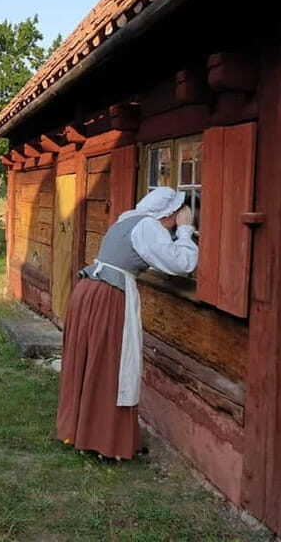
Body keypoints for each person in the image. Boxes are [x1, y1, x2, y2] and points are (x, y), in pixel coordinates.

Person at [56, 186, 198, 459]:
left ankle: (83, 431)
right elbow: (182, 262)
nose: (179, 218)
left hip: (89, 291)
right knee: (111, 364)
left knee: (91, 362)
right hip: (109, 297)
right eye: (178, 214)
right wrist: (185, 232)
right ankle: (103, 441)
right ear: (169, 214)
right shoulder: (148, 227)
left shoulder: (127, 219)